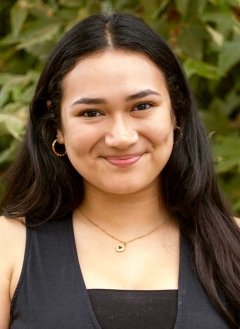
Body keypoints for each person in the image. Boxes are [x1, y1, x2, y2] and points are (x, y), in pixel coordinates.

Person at [0, 12, 239, 329]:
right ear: (57, 126)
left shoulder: (234, 244)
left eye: (142, 106)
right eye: (92, 112)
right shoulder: (9, 246)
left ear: (176, 113)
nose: (121, 137)